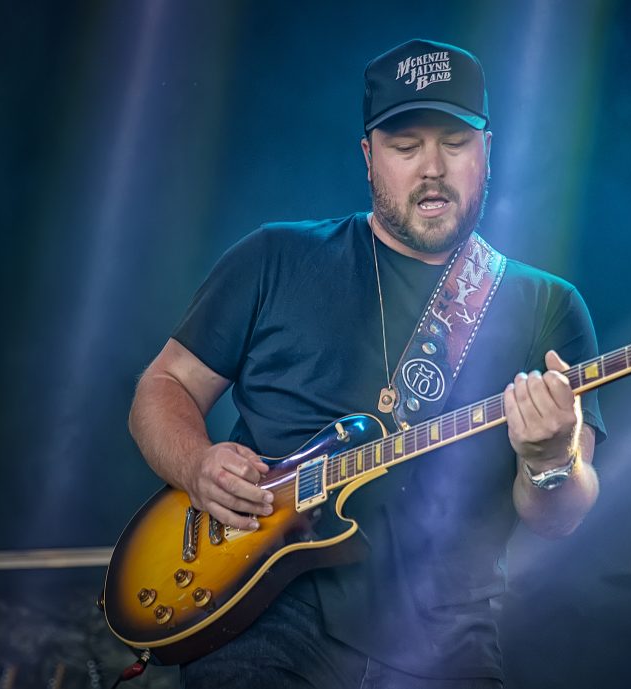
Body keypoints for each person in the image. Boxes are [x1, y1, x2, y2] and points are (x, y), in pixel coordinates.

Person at [128, 38, 605, 688]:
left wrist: (551, 459)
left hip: (446, 637)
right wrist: (197, 462)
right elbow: (164, 384)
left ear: (488, 152)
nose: (432, 168)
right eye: (406, 146)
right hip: (265, 614)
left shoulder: (549, 305)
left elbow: (562, 516)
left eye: (455, 143)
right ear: (368, 157)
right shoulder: (275, 258)